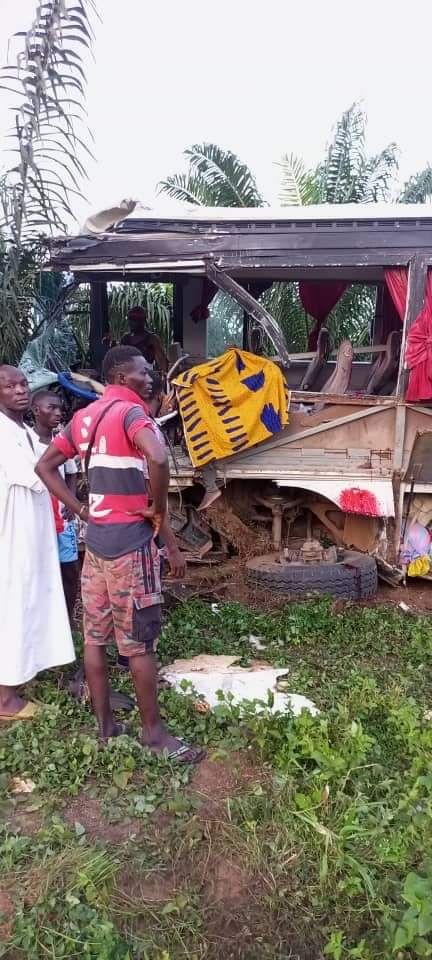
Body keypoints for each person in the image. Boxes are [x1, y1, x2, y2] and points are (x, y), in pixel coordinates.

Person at [36, 346, 203, 763]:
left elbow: (45, 466)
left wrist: (80, 510)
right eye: (144, 372)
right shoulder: (131, 415)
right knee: (139, 644)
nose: (150, 378)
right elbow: (159, 457)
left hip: (97, 546)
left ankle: (106, 726)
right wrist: (161, 510)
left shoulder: (85, 417)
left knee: (95, 638)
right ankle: (154, 736)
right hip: (131, 548)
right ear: (123, 376)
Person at [0, 366, 75, 720]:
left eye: (22, 384)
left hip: (32, 534)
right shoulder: (2, 433)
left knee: (28, 603)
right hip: (14, 536)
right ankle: (5, 699)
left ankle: (16, 676)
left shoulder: (25, 431)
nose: (19, 390)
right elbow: (37, 473)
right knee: (15, 606)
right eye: (9, 385)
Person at [31, 390, 79, 622]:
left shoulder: (61, 441)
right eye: (51, 408)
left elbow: (71, 473)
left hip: (62, 517)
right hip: (37, 517)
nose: (58, 413)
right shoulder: (26, 442)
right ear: (36, 410)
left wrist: (70, 499)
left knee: (69, 571)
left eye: (60, 409)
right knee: (41, 571)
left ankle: (67, 624)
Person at [121, 306, 168, 372]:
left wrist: (167, 375)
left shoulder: (152, 339)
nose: (131, 322)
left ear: (143, 321)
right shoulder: (125, 339)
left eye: (136, 319)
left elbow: (162, 362)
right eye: (130, 319)